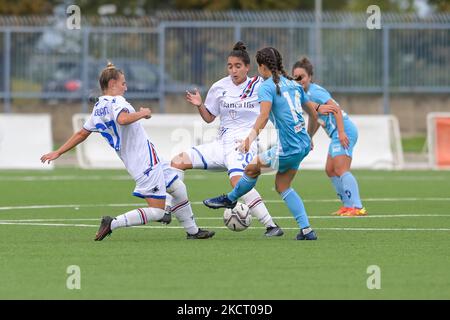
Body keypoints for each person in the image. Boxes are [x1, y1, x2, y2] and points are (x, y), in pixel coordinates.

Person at [40, 62, 215, 241]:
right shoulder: (117, 101)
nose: (126, 87)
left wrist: (58, 152)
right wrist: (143, 113)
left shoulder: (98, 108)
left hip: (146, 157)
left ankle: (193, 232)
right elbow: (122, 119)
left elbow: (81, 133)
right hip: (143, 161)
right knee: (157, 211)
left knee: (178, 188)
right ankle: (112, 223)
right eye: (123, 83)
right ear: (113, 84)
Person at [203, 47, 336, 240]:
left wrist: (249, 138)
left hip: (289, 147)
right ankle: (307, 230)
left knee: (250, 169)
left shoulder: (266, 87)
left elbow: (264, 116)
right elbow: (313, 112)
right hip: (303, 145)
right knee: (283, 186)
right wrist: (309, 136)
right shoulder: (293, 83)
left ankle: (230, 199)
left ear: (262, 66)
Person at [170, 41, 284, 237]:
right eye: (230, 66)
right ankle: (180, 220)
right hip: (220, 144)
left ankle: (271, 225)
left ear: (247, 67)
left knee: (238, 181)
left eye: (238, 66)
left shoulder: (260, 85)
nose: (233, 70)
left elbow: (280, 97)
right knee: (176, 162)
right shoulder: (218, 87)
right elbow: (209, 118)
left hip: (243, 144)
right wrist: (199, 105)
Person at [292, 57, 367, 217]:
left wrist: (341, 132)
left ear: (310, 77)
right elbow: (315, 119)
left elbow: (336, 109)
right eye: (295, 77)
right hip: (336, 134)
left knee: (341, 169)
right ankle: (347, 206)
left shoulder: (315, 92)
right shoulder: (302, 96)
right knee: (330, 170)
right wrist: (309, 136)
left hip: (345, 130)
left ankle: (358, 207)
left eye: (302, 77)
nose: (298, 80)